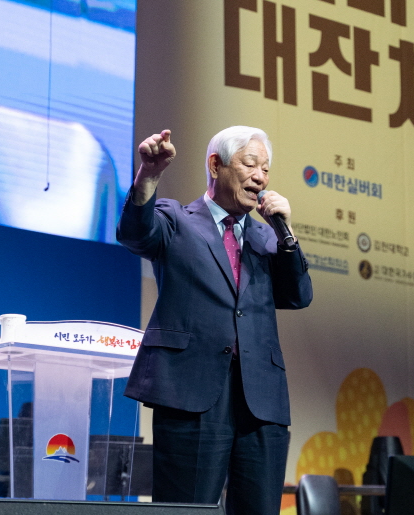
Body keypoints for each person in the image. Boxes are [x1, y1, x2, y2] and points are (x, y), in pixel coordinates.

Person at [116, 126, 313, 514]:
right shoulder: (176, 219)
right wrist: (149, 175)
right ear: (215, 165)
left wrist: (286, 233)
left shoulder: (266, 237)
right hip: (191, 392)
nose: (260, 176)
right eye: (250, 164)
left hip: (261, 400)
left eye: (266, 170)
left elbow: (298, 295)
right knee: (185, 510)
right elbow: (134, 234)